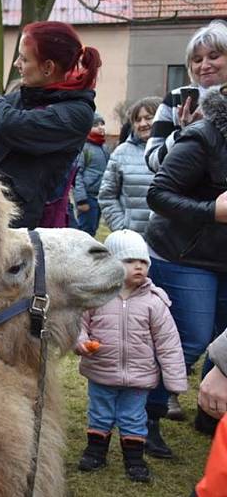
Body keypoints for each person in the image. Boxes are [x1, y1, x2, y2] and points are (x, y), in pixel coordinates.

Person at [144, 81, 227, 452]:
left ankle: (213, 417)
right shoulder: (204, 136)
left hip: (222, 257)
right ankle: (145, 417)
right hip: (184, 255)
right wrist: (213, 212)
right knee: (189, 340)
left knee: (219, 342)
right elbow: (158, 194)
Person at [75, 230, 186, 483]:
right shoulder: (95, 297)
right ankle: (95, 452)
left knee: (133, 417)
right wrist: (80, 342)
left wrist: (175, 381)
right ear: (110, 264)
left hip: (139, 376)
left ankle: (134, 459)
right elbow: (77, 325)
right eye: (129, 261)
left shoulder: (154, 302)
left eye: (143, 261)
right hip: (102, 371)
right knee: (100, 413)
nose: (138, 266)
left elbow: (168, 343)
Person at [0, 21, 101, 229]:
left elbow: (10, 126)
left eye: (24, 59)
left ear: (48, 67)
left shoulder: (76, 113)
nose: (17, 63)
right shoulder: (23, 98)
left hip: (30, 229)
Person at [145, 20, 227, 172]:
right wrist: (186, 133)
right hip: (186, 194)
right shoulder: (175, 99)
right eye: (197, 60)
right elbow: (153, 161)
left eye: (214, 56)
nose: (205, 65)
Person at [98, 97, 161, 236]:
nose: (143, 124)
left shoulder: (176, 149)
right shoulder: (121, 153)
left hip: (168, 242)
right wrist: (122, 229)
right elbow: (106, 196)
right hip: (133, 242)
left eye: (148, 118)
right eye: (137, 120)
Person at [72, 112, 109, 235]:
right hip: (88, 197)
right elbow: (76, 175)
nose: (100, 127)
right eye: (95, 124)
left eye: (102, 124)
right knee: (85, 231)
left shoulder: (104, 148)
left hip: (99, 196)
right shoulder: (84, 148)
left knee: (93, 229)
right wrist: (81, 200)